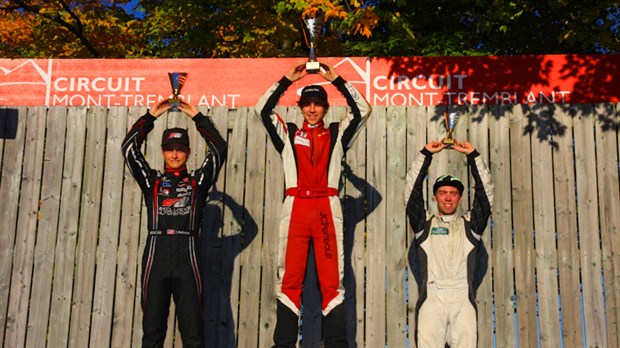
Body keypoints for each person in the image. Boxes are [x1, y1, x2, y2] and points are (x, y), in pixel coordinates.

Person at [255, 62, 371, 347]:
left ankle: (335, 344)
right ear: (300, 107)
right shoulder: (289, 133)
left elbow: (363, 110)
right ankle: (283, 344)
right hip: (295, 207)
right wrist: (285, 80)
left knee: (332, 281)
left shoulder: (336, 133)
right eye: (307, 104)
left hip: (326, 208)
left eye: (318, 104)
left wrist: (336, 79)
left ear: (326, 108)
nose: (312, 109)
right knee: (289, 279)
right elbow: (262, 110)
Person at [121, 99, 227, 347]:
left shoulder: (198, 182)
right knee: (152, 333)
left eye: (180, 149)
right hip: (156, 252)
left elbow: (219, 149)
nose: (175, 154)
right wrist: (150, 117)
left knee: (193, 335)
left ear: (188, 152)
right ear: (162, 151)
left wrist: (198, 117)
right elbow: (128, 149)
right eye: (169, 149)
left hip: (187, 253)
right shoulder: (151, 181)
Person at [402, 139, 494, 348]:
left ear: (460, 198)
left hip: (463, 298)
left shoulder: (471, 226)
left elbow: (485, 198)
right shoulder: (424, 224)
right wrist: (425, 155)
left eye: (453, 193)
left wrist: (474, 157)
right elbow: (411, 195)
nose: (448, 198)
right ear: (435, 197)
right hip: (432, 298)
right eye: (443, 193)